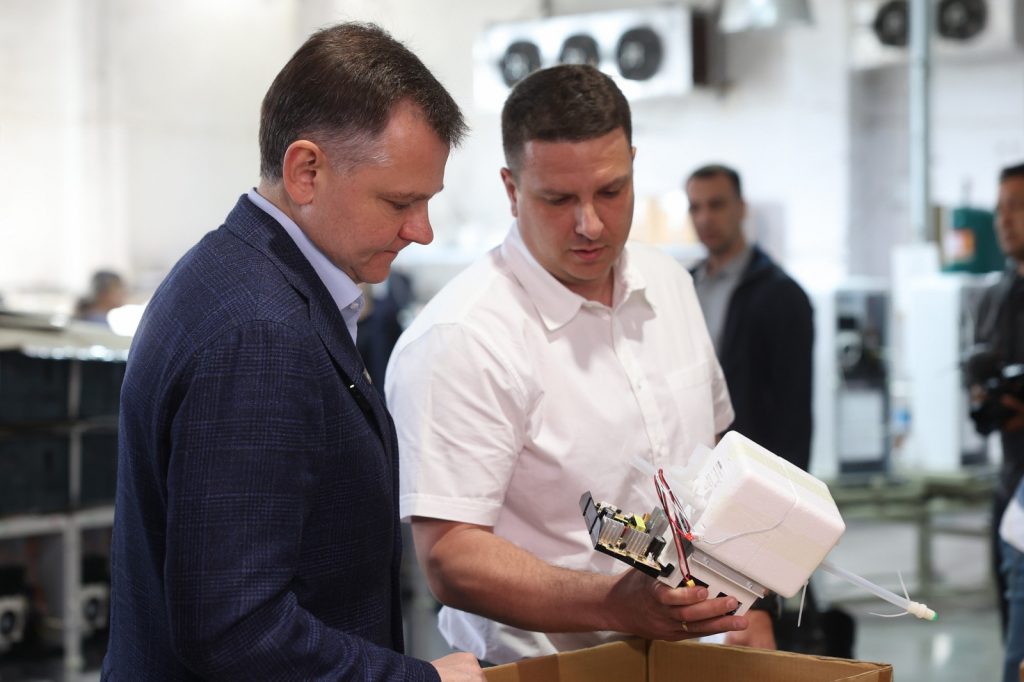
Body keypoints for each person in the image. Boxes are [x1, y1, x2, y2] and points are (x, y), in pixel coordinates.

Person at [102, 23, 483, 681]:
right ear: (306, 171)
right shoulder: (262, 334)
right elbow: (237, 629)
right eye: (400, 201)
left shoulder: (234, 271)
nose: (421, 230)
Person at [385, 64, 772, 666]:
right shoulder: (462, 337)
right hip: (543, 669)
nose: (590, 224)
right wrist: (616, 604)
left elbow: (717, 464)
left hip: (697, 658)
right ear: (512, 189)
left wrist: (748, 603)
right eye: (559, 199)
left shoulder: (669, 283)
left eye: (611, 192)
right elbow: (451, 557)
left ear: (634, 165)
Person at [685, 165, 822, 654]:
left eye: (717, 204)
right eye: (695, 207)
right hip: (691, 482)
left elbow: (792, 422)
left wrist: (782, 516)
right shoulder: (684, 288)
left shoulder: (781, 296)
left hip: (751, 486)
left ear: (741, 209)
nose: (706, 217)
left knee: (751, 635)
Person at [971, 161, 1024, 647]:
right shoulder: (993, 298)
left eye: (1017, 206)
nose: (1004, 220)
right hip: (1010, 478)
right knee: (1013, 614)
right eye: (999, 209)